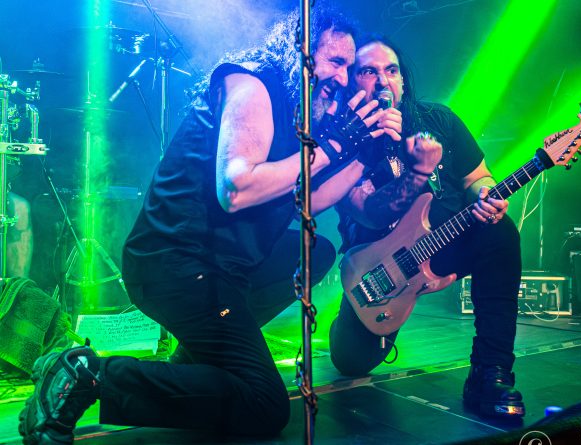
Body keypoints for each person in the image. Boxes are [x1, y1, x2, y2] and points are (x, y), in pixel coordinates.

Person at [19, 7, 406, 443]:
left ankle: (195, 361)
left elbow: (308, 201)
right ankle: (86, 375)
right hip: (176, 262)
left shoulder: (298, 112)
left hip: (220, 267)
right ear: (302, 51)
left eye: (349, 67)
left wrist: (363, 157)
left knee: (314, 250)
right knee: (264, 404)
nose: (343, 77)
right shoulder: (252, 84)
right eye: (336, 62)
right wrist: (335, 146)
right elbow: (236, 188)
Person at [329, 37, 526, 419]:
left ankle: (491, 372)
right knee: (352, 362)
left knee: (500, 232)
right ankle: (347, 323)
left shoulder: (438, 121)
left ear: (403, 80)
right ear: (352, 82)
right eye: (368, 71)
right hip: (380, 269)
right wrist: (411, 165)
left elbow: (478, 177)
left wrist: (486, 194)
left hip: (446, 241)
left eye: (391, 70)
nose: (383, 81)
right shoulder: (344, 140)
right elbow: (369, 213)